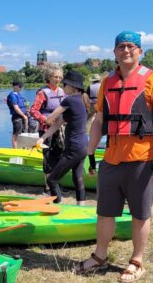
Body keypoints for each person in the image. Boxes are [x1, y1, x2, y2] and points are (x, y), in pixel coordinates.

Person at [74, 31, 153, 282]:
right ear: (114, 52)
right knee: (105, 211)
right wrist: (89, 153)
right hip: (111, 159)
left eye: (131, 46)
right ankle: (100, 256)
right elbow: (98, 120)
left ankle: (136, 261)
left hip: (141, 158)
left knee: (140, 213)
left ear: (140, 51)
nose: (126, 50)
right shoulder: (107, 83)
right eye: (121, 47)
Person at [36, 70, 88, 206]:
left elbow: (51, 118)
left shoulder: (69, 100)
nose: (63, 87)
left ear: (72, 87)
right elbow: (58, 123)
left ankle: (57, 206)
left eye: (65, 84)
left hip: (73, 148)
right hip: (83, 146)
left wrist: (44, 118)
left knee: (52, 180)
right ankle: (80, 207)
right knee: (78, 177)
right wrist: (43, 138)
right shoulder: (82, 99)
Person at [29, 66, 66, 196]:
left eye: (60, 77)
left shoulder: (62, 91)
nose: (58, 79)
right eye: (55, 77)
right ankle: (47, 187)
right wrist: (45, 119)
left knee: (60, 155)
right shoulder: (42, 93)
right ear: (49, 77)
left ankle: (56, 184)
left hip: (60, 128)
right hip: (46, 129)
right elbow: (33, 110)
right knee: (48, 157)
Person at [6, 81, 28, 148]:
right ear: (14, 86)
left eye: (21, 86)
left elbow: (23, 105)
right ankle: (15, 150)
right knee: (16, 134)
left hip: (23, 116)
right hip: (17, 117)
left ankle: (22, 148)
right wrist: (23, 116)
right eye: (19, 86)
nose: (20, 88)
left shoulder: (18, 94)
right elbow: (16, 108)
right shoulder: (13, 95)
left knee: (23, 133)